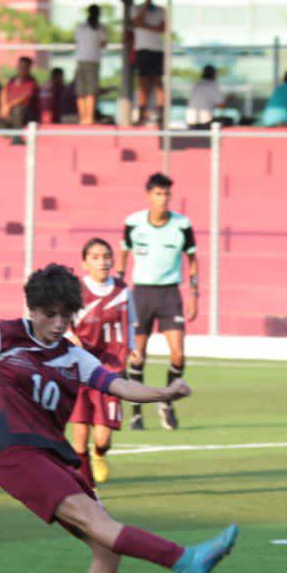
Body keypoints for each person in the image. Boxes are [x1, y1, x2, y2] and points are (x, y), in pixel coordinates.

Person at [0, 263, 239, 573]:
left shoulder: (72, 355)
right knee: (102, 527)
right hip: (17, 456)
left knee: (105, 548)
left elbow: (119, 385)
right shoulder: (2, 334)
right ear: (33, 309)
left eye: (67, 315)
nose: (58, 324)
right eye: (50, 315)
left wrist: (164, 391)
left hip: (55, 456)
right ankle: (184, 560)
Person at [117, 172, 199, 431]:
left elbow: (192, 260)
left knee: (178, 353)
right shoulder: (133, 223)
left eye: (166, 195)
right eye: (158, 194)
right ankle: (136, 413)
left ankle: (167, 401)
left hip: (169, 294)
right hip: (141, 293)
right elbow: (123, 257)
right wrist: (119, 290)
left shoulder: (182, 225)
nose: (163, 199)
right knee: (138, 356)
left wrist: (194, 294)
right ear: (148, 196)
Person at [69, 238, 133, 483]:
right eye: (95, 257)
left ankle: (99, 453)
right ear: (85, 263)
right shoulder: (76, 291)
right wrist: (69, 336)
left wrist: (134, 348)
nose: (103, 261)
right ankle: (84, 476)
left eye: (106, 256)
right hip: (80, 362)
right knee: (80, 420)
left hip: (111, 365)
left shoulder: (121, 290)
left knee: (103, 436)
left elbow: (131, 321)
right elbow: (62, 320)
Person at [130, 0, 167, 126]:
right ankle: (142, 112)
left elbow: (162, 28)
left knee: (158, 81)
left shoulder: (160, 10)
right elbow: (136, 22)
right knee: (142, 82)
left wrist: (145, 26)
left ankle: (161, 113)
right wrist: (145, 8)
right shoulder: (137, 8)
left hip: (157, 49)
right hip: (142, 49)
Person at [74, 4, 108, 126]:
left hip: (81, 59)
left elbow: (77, 42)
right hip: (93, 60)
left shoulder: (81, 27)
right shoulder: (101, 28)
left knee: (82, 91)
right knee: (90, 91)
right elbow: (103, 44)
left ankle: (84, 117)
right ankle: (88, 118)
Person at [0, 57, 41, 129]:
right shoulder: (12, 80)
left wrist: (8, 106)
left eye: (24, 67)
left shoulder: (32, 82)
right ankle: (7, 133)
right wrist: (4, 106)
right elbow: (4, 91)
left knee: (18, 110)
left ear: (29, 68)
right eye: (20, 66)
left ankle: (17, 137)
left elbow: (25, 96)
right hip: (10, 110)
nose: (22, 69)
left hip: (27, 113)